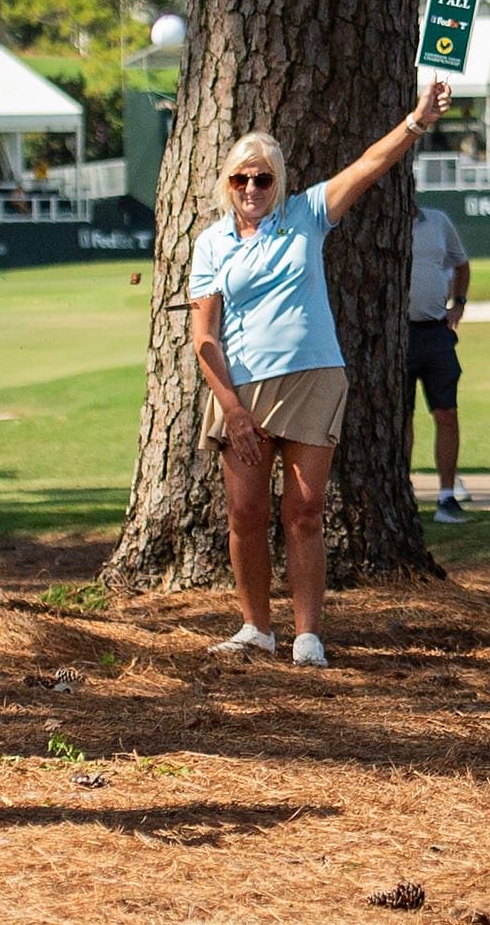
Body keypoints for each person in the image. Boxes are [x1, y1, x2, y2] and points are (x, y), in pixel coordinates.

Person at [191, 80, 452, 670]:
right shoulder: (211, 243)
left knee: (305, 512)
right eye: (241, 179)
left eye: (262, 178)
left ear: (279, 181)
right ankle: (256, 627)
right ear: (227, 185)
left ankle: (308, 633)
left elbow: (367, 165)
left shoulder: (307, 214)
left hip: (313, 377)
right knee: (245, 514)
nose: (252, 188)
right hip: (243, 391)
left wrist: (415, 122)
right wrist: (231, 407)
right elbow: (204, 334)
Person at [408, 198, 471, 523]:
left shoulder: (438, 220)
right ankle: (400, 489)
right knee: (400, 418)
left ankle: (447, 496)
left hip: (435, 331)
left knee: (446, 413)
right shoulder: (387, 222)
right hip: (397, 334)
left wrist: (459, 304)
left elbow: (461, 263)